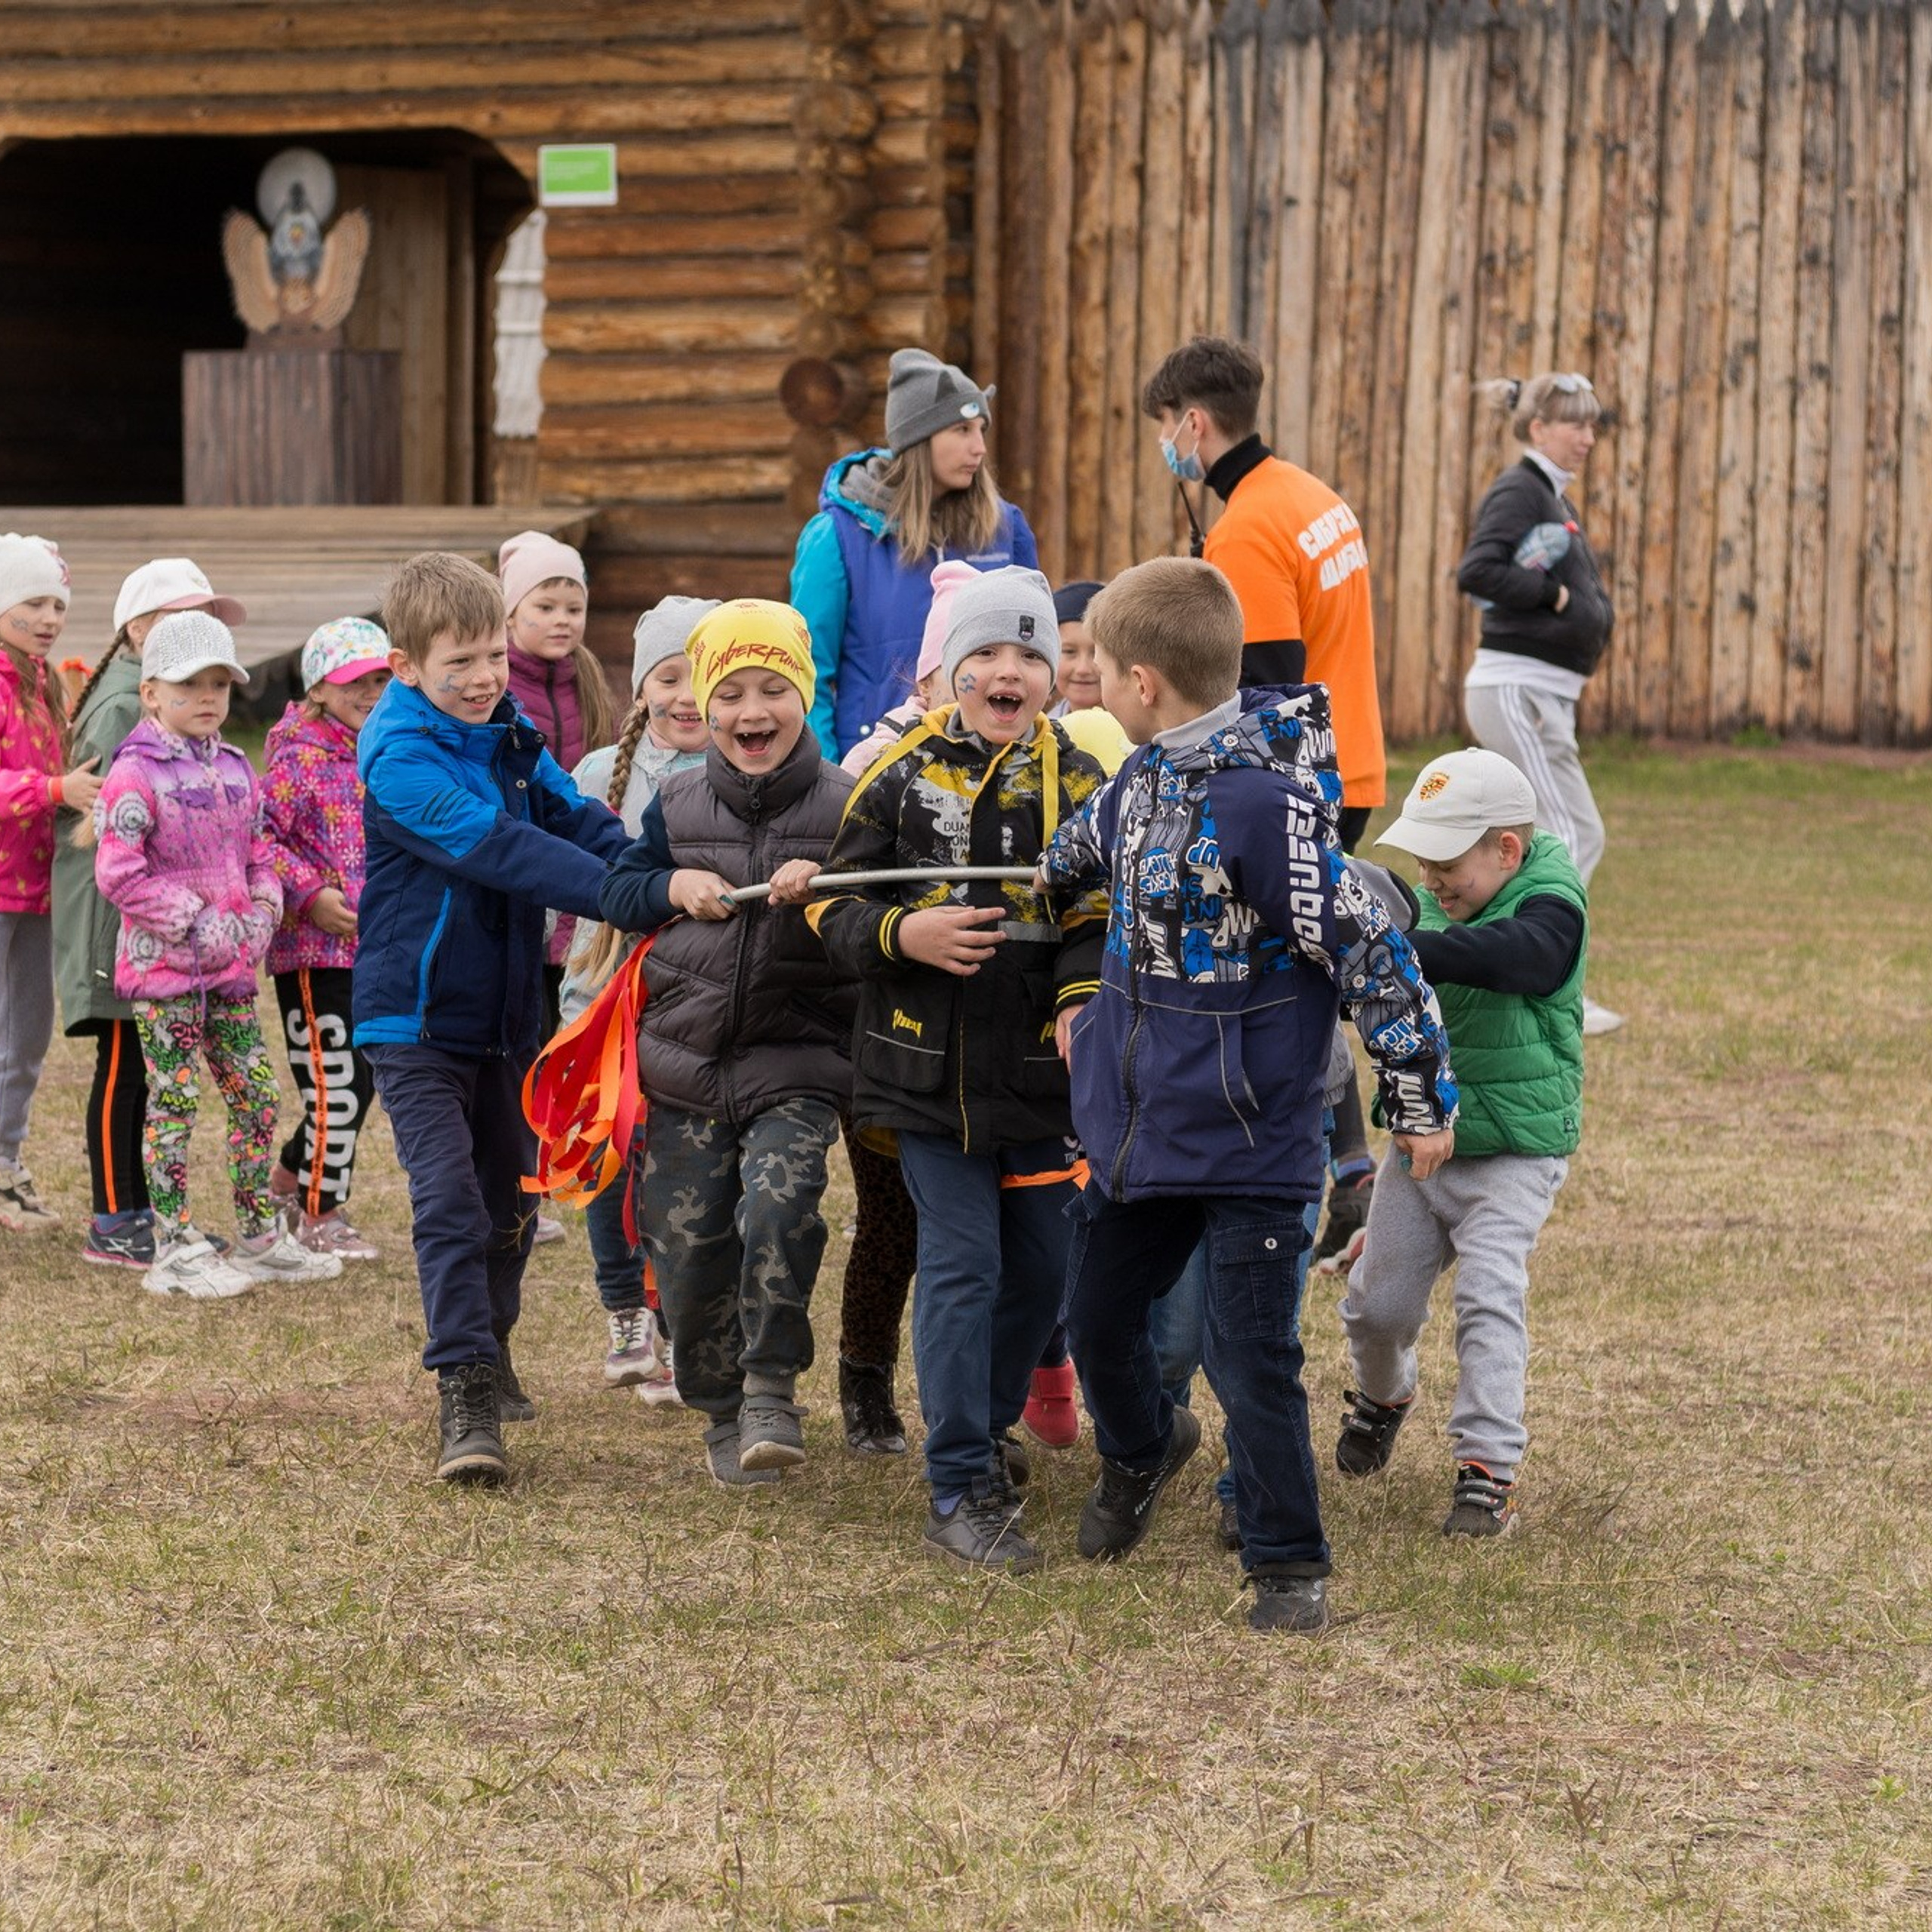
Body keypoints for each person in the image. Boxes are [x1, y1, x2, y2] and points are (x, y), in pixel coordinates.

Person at [1040, 558, 1456, 1634]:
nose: (1091, 684)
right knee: (1096, 1316)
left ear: (1141, 684)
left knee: (1251, 1357)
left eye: (1098, 669)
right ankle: (1144, 1448)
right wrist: (1033, 881)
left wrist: (1417, 1098)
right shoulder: (1139, 780)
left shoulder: (1263, 809)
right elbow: (1077, 852)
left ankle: (1287, 1563)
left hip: (1251, 1138)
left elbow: (1373, 954)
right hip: (1141, 1132)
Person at [811, 566, 1109, 1573]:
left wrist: (1078, 998)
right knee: (963, 1263)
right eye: (985, 652)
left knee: (1043, 1267)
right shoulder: (898, 774)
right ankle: (958, 1485)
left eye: (1030, 653)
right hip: (921, 1073)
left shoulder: (1082, 784)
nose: (1008, 671)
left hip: (1037, 1078)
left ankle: (981, 1426)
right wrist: (903, 934)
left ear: (1055, 676)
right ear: (948, 672)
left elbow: (1095, 915)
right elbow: (834, 903)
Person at [353, 552, 631, 1485]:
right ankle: (464, 1385)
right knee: (448, 1199)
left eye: (492, 659)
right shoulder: (399, 759)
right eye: (458, 664)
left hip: (510, 1019)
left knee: (513, 1202)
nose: (482, 680)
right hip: (414, 1023)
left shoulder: (508, 730)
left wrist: (647, 869)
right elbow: (505, 848)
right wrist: (628, 896)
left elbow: (573, 816)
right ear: (404, 668)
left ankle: (494, 1342)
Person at [1141, 334, 1389, 1265]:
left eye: (1166, 427)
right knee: (1307, 970)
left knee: (1282, 985)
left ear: (1193, 423)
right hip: (1352, 757)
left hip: (1299, 780)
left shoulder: (1247, 529)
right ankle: (1352, 1171)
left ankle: (1311, 1176)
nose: (1165, 445)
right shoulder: (1308, 495)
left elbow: (1266, 685)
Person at [598, 601, 857, 1487]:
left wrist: (830, 886)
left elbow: (878, 913)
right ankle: (717, 1401)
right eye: (732, 693)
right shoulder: (676, 802)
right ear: (705, 707)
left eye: (773, 689)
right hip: (686, 1062)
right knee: (686, 1245)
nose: (753, 711)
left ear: (804, 696)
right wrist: (672, 883)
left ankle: (771, 1384)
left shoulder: (847, 804)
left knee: (780, 1209)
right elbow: (620, 890)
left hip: (798, 1058)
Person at [1337, 748, 1587, 1538]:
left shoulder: (1552, 904)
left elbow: (1522, 957)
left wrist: (1403, 951)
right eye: (1422, 864)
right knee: (1378, 1308)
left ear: (1505, 850)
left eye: (1445, 865)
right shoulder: (1426, 902)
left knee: (1488, 1296)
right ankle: (1385, 1395)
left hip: (1514, 1152)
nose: (1430, 880)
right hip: (1419, 1149)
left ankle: (1487, 1468)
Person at [89, 612, 341, 1299]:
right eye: (189, 685)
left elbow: (259, 851)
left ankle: (258, 1235)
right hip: (166, 975)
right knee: (173, 1106)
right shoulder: (134, 773)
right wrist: (194, 923)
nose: (207, 697)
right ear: (150, 693)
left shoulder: (235, 766)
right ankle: (174, 1245)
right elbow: (119, 872)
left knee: (256, 1097)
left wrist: (263, 909)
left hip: (231, 972)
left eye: (219, 685)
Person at [54, 558, 245, 1269]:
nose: (199, 630)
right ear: (138, 631)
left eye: (207, 617)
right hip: (118, 920)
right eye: (179, 616)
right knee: (122, 1065)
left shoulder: (173, 713)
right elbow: (107, 835)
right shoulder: (121, 710)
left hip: (148, 921)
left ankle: (142, 1213)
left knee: (143, 1067)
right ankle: (114, 1217)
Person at [829, 558, 975, 1461]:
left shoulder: (1040, 768)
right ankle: (864, 1375)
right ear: (924, 683)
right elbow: (842, 898)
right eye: (959, 669)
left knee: (978, 1232)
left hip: (992, 1038)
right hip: (888, 1034)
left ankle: (988, 1393)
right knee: (891, 1218)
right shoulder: (873, 768)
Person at [562, 595, 715, 1404]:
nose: (687, 696)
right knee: (612, 1157)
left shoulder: (739, 777)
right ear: (641, 688)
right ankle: (626, 1311)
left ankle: (677, 1323)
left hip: (694, 1007)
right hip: (601, 999)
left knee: (680, 1167)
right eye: (668, 677)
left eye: (703, 677)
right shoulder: (597, 777)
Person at [1457, 372, 1620, 1036]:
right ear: (1537, 429)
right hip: (1516, 688)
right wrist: (1556, 597)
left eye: (1592, 425)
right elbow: (1478, 570)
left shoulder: (1547, 494)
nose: (1587, 437)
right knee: (1565, 838)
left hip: (1540, 693)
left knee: (1578, 834)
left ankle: (1527, 970)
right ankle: (1545, 985)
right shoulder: (1520, 489)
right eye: (1575, 424)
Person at [789, 346, 1038, 759]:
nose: (979, 448)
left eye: (981, 430)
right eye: (962, 430)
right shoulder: (838, 535)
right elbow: (805, 669)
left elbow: (1035, 647)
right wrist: (828, 774)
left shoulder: (1006, 529)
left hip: (993, 761)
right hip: (877, 760)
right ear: (918, 438)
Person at [260, 617, 392, 1260]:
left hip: (375, 948)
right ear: (317, 688)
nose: (369, 692)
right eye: (352, 682)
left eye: (380, 679)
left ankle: (289, 1181)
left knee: (359, 1085)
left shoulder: (387, 748)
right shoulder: (297, 757)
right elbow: (260, 839)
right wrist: (309, 894)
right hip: (314, 954)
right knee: (334, 1087)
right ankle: (321, 1214)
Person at [498, 529, 616, 1232]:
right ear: (511, 613)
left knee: (566, 1037)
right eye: (545, 607)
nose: (563, 621)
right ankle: (522, 1177)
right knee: (528, 1036)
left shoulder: (587, 678)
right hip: (524, 881)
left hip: (578, 891)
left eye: (574, 607)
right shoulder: (498, 687)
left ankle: (555, 1165)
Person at [0, 534, 100, 1231]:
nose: (48, 618)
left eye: (58, 605)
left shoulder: (44, 682)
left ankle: (7, 1162)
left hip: (37, 886)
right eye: (33, 602)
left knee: (29, 1036)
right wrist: (55, 789)